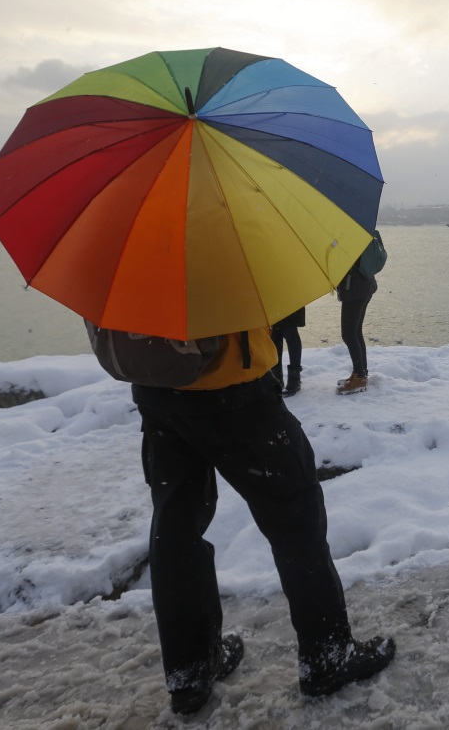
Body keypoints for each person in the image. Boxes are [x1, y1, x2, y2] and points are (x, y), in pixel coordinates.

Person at [130, 327, 395, 715]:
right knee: (296, 521)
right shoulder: (217, 262)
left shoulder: (130, 266)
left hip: (157, 394)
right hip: (234, 391)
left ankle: (190, 671)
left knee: (176, 530)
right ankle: (327, 656)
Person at [335, 254, 377, 395]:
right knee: (356, 332)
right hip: (364, 285)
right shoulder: (358, 236)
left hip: (354, 289)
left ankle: (359, 377)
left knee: (348, 334)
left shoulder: (346, 240)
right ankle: (361, 373)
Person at [272, 305, 306, 397]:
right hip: (273, 297)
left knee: (289, 330)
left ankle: (294, 380)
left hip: (288, 298)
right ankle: (276, 378)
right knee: (275, 333)